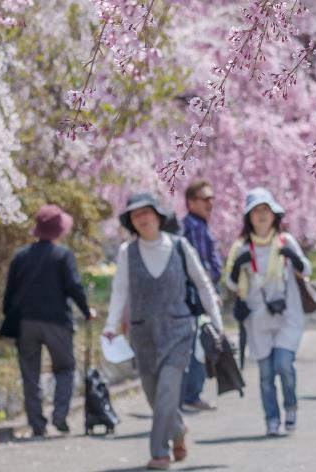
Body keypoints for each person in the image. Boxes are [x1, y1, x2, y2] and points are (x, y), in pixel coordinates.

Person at [103, 193, 225, 471]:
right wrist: (111, 327)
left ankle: (159, 452)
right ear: (131, 222)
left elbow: (203, 284)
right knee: (153, 395)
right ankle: (178, 430)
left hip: (178, 331)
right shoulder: (126, 253)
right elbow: (119, 291)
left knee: (168, 390)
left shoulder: (180, 247)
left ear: (158, 216)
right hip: (143, 335)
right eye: (136, 215)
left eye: (147, 212)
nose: (143, 218)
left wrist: (216, 321)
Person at [224, 187, 311, 437]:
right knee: (265, 374)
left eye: (266, 210)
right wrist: (235, 270)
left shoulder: (285, 241)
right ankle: (271, 419)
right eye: (256, 211)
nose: (261, 215)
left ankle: (291, 408)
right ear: (248, 217)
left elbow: (305, 270)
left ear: (274, 215)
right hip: (257, 318)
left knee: (284, 365)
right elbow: (232, 284)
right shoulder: (241, 248)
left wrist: (293, 257)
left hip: (287, 316)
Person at [3, 204, 94, 438]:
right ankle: (60, 415)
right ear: (58, 230)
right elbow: (74, 287)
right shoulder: (62, 256)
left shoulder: (20, 256)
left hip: (25, 323)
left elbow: (9, 293)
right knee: (65, 368)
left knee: (30, 374)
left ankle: (37, 424)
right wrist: (86, 311)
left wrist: (10, 318)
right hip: (56, 322)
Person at [180, 180, 222, 412]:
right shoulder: (193, 227)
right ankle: (191, 395)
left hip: (200, 297)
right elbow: (200, 267)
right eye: (205, 199)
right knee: (198, 344)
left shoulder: (200, 225)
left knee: (199, 343)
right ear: (190, 202)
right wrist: (211, 292)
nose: (211, 203)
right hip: (197, 300)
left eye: (212, 198)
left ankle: (190, 394)